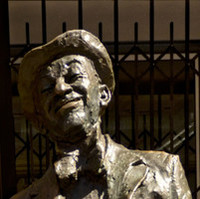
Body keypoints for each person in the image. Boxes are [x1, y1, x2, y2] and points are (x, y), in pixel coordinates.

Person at [11, 30, 192, 199]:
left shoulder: (164, 170)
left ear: (103, 95)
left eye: (74, 76)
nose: (60, 89)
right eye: (47, 88)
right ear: (40, 121)